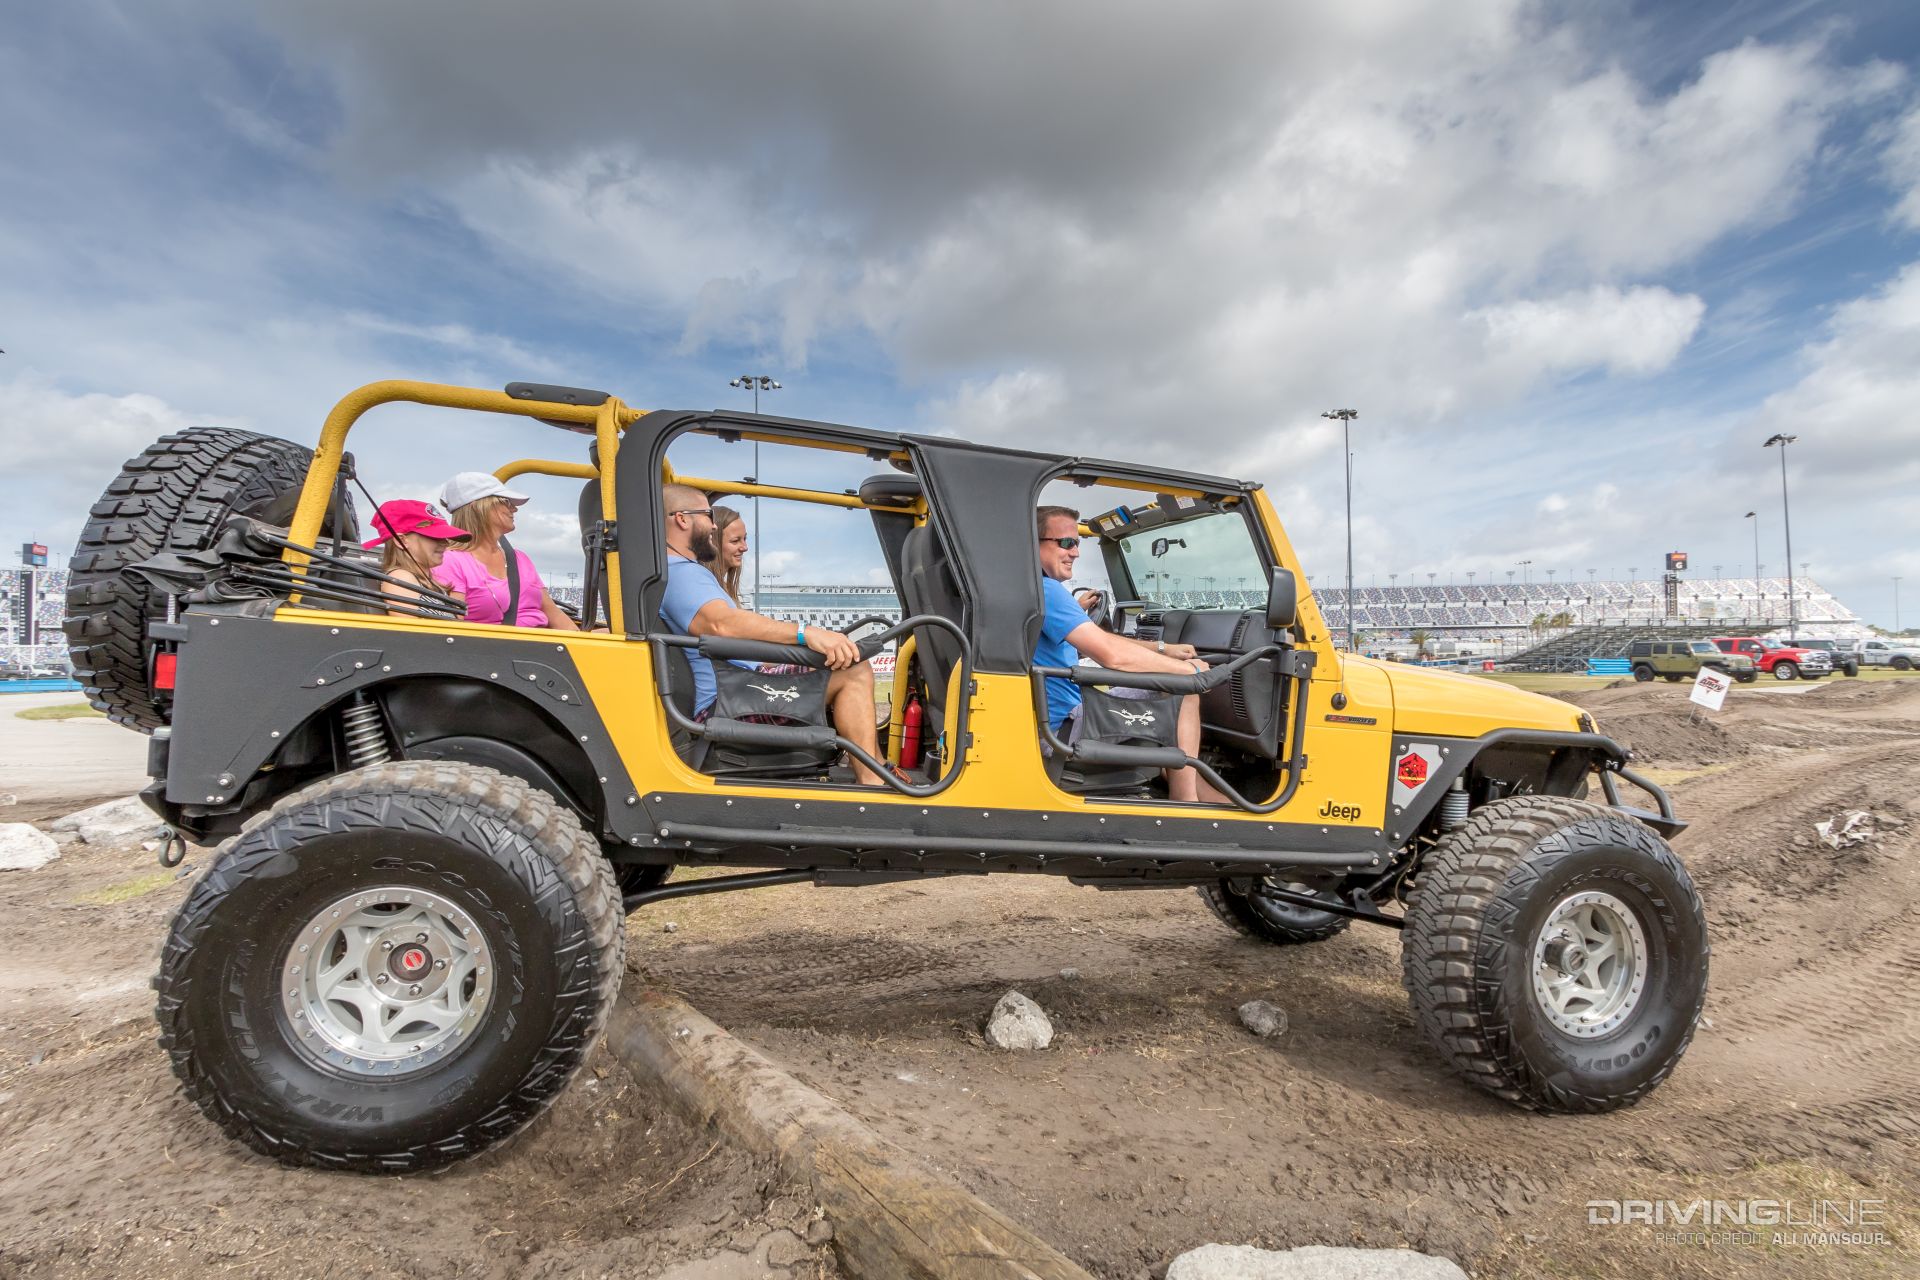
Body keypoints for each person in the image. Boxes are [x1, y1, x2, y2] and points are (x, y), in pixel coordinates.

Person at [658, 483, 898, 787]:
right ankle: (873, 782)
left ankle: (875, 769)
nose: (713, 525)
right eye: (708, 516)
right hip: (727, 703)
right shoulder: (683, 573)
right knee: (852, 670)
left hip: (736, 689)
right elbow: (721, 625)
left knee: (842, 663)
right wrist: (804, 633)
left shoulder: (677, 572)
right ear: (682, 519)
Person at [1033, 505, 1224, 804]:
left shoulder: (1034, 590)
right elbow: (1113, 657)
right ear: (1035, 543)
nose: (1076, 553)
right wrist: (1190, 672)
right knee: (1181, 690)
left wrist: (1164, 650)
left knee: (1169, 704)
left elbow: (1098, 643)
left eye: (1078, 544)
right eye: (1067, 543)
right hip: (1063, 727)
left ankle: (1216, 801)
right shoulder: (1047, 590)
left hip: (1056, 718)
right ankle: (1187, 804)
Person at [432, 472, 580, 630]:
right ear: (479, 507)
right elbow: (452, 630)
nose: (514, 509)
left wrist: (583, 645)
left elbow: (553, 613)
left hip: (544, 648)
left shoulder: (519, 558)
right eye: (506, 502)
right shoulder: (449, 561)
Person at [364, 499, 470, 617]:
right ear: (402, 541)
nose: (445, 543)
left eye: (445, 537)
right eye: (434, 537)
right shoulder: (401, 578)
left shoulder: (429, 583)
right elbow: (411, 633)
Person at [710, 504, 747, 604]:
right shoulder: (706, 588)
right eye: (735, 541)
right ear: (713, 542)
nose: (745, 548)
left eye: (745, 539)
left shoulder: (722, 588)